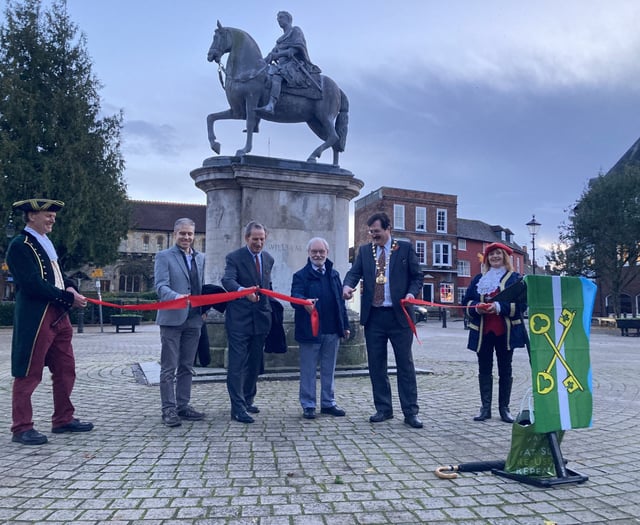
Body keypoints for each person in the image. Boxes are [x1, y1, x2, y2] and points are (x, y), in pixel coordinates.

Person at [6, 198, 93, 445]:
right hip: (37, 316)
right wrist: (68, 297)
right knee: (29, 372)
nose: (53, 218)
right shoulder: (19, 245)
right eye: (47, 214)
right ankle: (21, 427)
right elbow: (32, 284)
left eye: (54, 214)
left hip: (59, 314)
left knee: (66, 369)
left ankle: (63, 419)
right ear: (32, 216)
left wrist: (71, 288)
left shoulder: (45, 243)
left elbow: (57, 275)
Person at [343, 212, 424, 429]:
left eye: (377, 232)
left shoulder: (404, 249)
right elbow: (354, 273)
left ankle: (410, 412)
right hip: (374, 316)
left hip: (400, 316)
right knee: (376, 365)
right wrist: (347, 286)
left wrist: (411, 294)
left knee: (404, 364)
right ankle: (383, 409)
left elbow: (418, 276)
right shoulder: (365, 251)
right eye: (371, 232)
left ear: (388, 229)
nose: (373, 236)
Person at [462, 242, 527, 423]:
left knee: (505, 369)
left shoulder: (515, 279)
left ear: (505, 257)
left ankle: (504, 409)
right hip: (483, 332)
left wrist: (499, 306)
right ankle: (485, 408)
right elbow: (466, 303)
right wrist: (478, 308)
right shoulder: (478, 279)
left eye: (498, 254)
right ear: (487, 258)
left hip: (505, 332)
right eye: (491, 254)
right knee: (484, 369)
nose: (495, 257)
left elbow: (522, 306)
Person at [154, 218, 206, 427]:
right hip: (172, 319)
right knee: (169, 367)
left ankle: (183, 405)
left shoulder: (201, 258)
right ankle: (168, 409)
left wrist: (205, 309)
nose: (186, 237)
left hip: (194, 319)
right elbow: (160, 286)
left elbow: (201, 286)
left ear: (194, 236)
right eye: (182, 233)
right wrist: (176, 297)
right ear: (175, 234)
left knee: (187, 366)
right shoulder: (163, 257)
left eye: (190, 234)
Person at [291, 237, 350, 420]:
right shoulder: (300, 276)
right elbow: (295, 296)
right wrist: (303, 302)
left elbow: (340, 302)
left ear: (327, 253)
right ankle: (308, 404)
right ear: (308, 253)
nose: (318, 255)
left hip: (332, 329)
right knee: (308, 370)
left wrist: (345, 325)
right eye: (314, 252)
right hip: (310, 330)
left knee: (329, 369)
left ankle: (328, 403)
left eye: (321, 252)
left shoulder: (334, 274)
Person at [221, 221, 274, 423]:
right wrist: (243, 292)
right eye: (255, 239)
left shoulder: (268, 259)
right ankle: (237, 407)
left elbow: (267, 286)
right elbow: (227, 281)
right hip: (239, 320)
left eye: (262, 239)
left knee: (254, 363)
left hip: (261, 319)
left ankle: (248, 399)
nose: (259, 243)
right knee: (237, 364)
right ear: (246, 238)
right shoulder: (234, 257)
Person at [258, 10, 321, 114]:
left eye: (281, 17)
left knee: (277, 76)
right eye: (278, 18)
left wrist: (277, 55)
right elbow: (272, 53)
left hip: (293, 65)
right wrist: (262, 61)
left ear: (288, 19)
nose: (278, 20)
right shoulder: (280, 40)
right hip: (281, 65)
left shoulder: (295, 31)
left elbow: (295, 49)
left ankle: (271, 105)